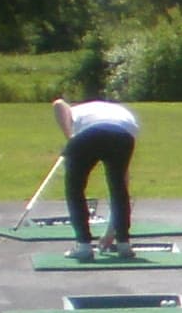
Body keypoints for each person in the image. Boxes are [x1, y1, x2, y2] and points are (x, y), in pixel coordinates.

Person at [47, 95, 140, 258]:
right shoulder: (120, 113)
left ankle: (83, 245)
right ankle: (124, 244)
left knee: (74, 188)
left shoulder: (76, 110)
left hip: (89, 136)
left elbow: (58, 104)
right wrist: (112, 232)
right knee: (119, 188)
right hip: (123, 137)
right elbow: (124, 182)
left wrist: (70, 138)